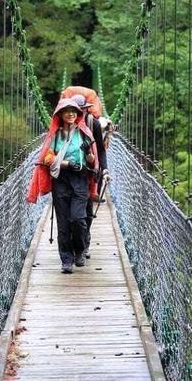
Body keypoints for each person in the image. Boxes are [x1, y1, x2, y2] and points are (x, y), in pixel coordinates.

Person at [26, 98, 99, 273]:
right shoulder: (55, 135)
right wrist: (66, 164)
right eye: (67, 111)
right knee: (63, 223)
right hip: (61, 180)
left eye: (74, 111)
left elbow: (92, 161)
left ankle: (80, 249)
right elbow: (47, 158)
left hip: (80, 179)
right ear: (60, 114)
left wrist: (88, 151)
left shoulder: (84, 133)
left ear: (78, 114)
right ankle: (66, 259)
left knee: (78, 219)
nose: (71, 114)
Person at [71, 94, 111, 259]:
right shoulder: (65, 124)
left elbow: (101, 149)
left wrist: (105, 170)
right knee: (71, 213)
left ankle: (84, 243)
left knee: (86, 210)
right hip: (70, 173)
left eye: (84, 110)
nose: (81, 113)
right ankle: (74, 245)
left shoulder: (92, 123)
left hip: (90, 173)